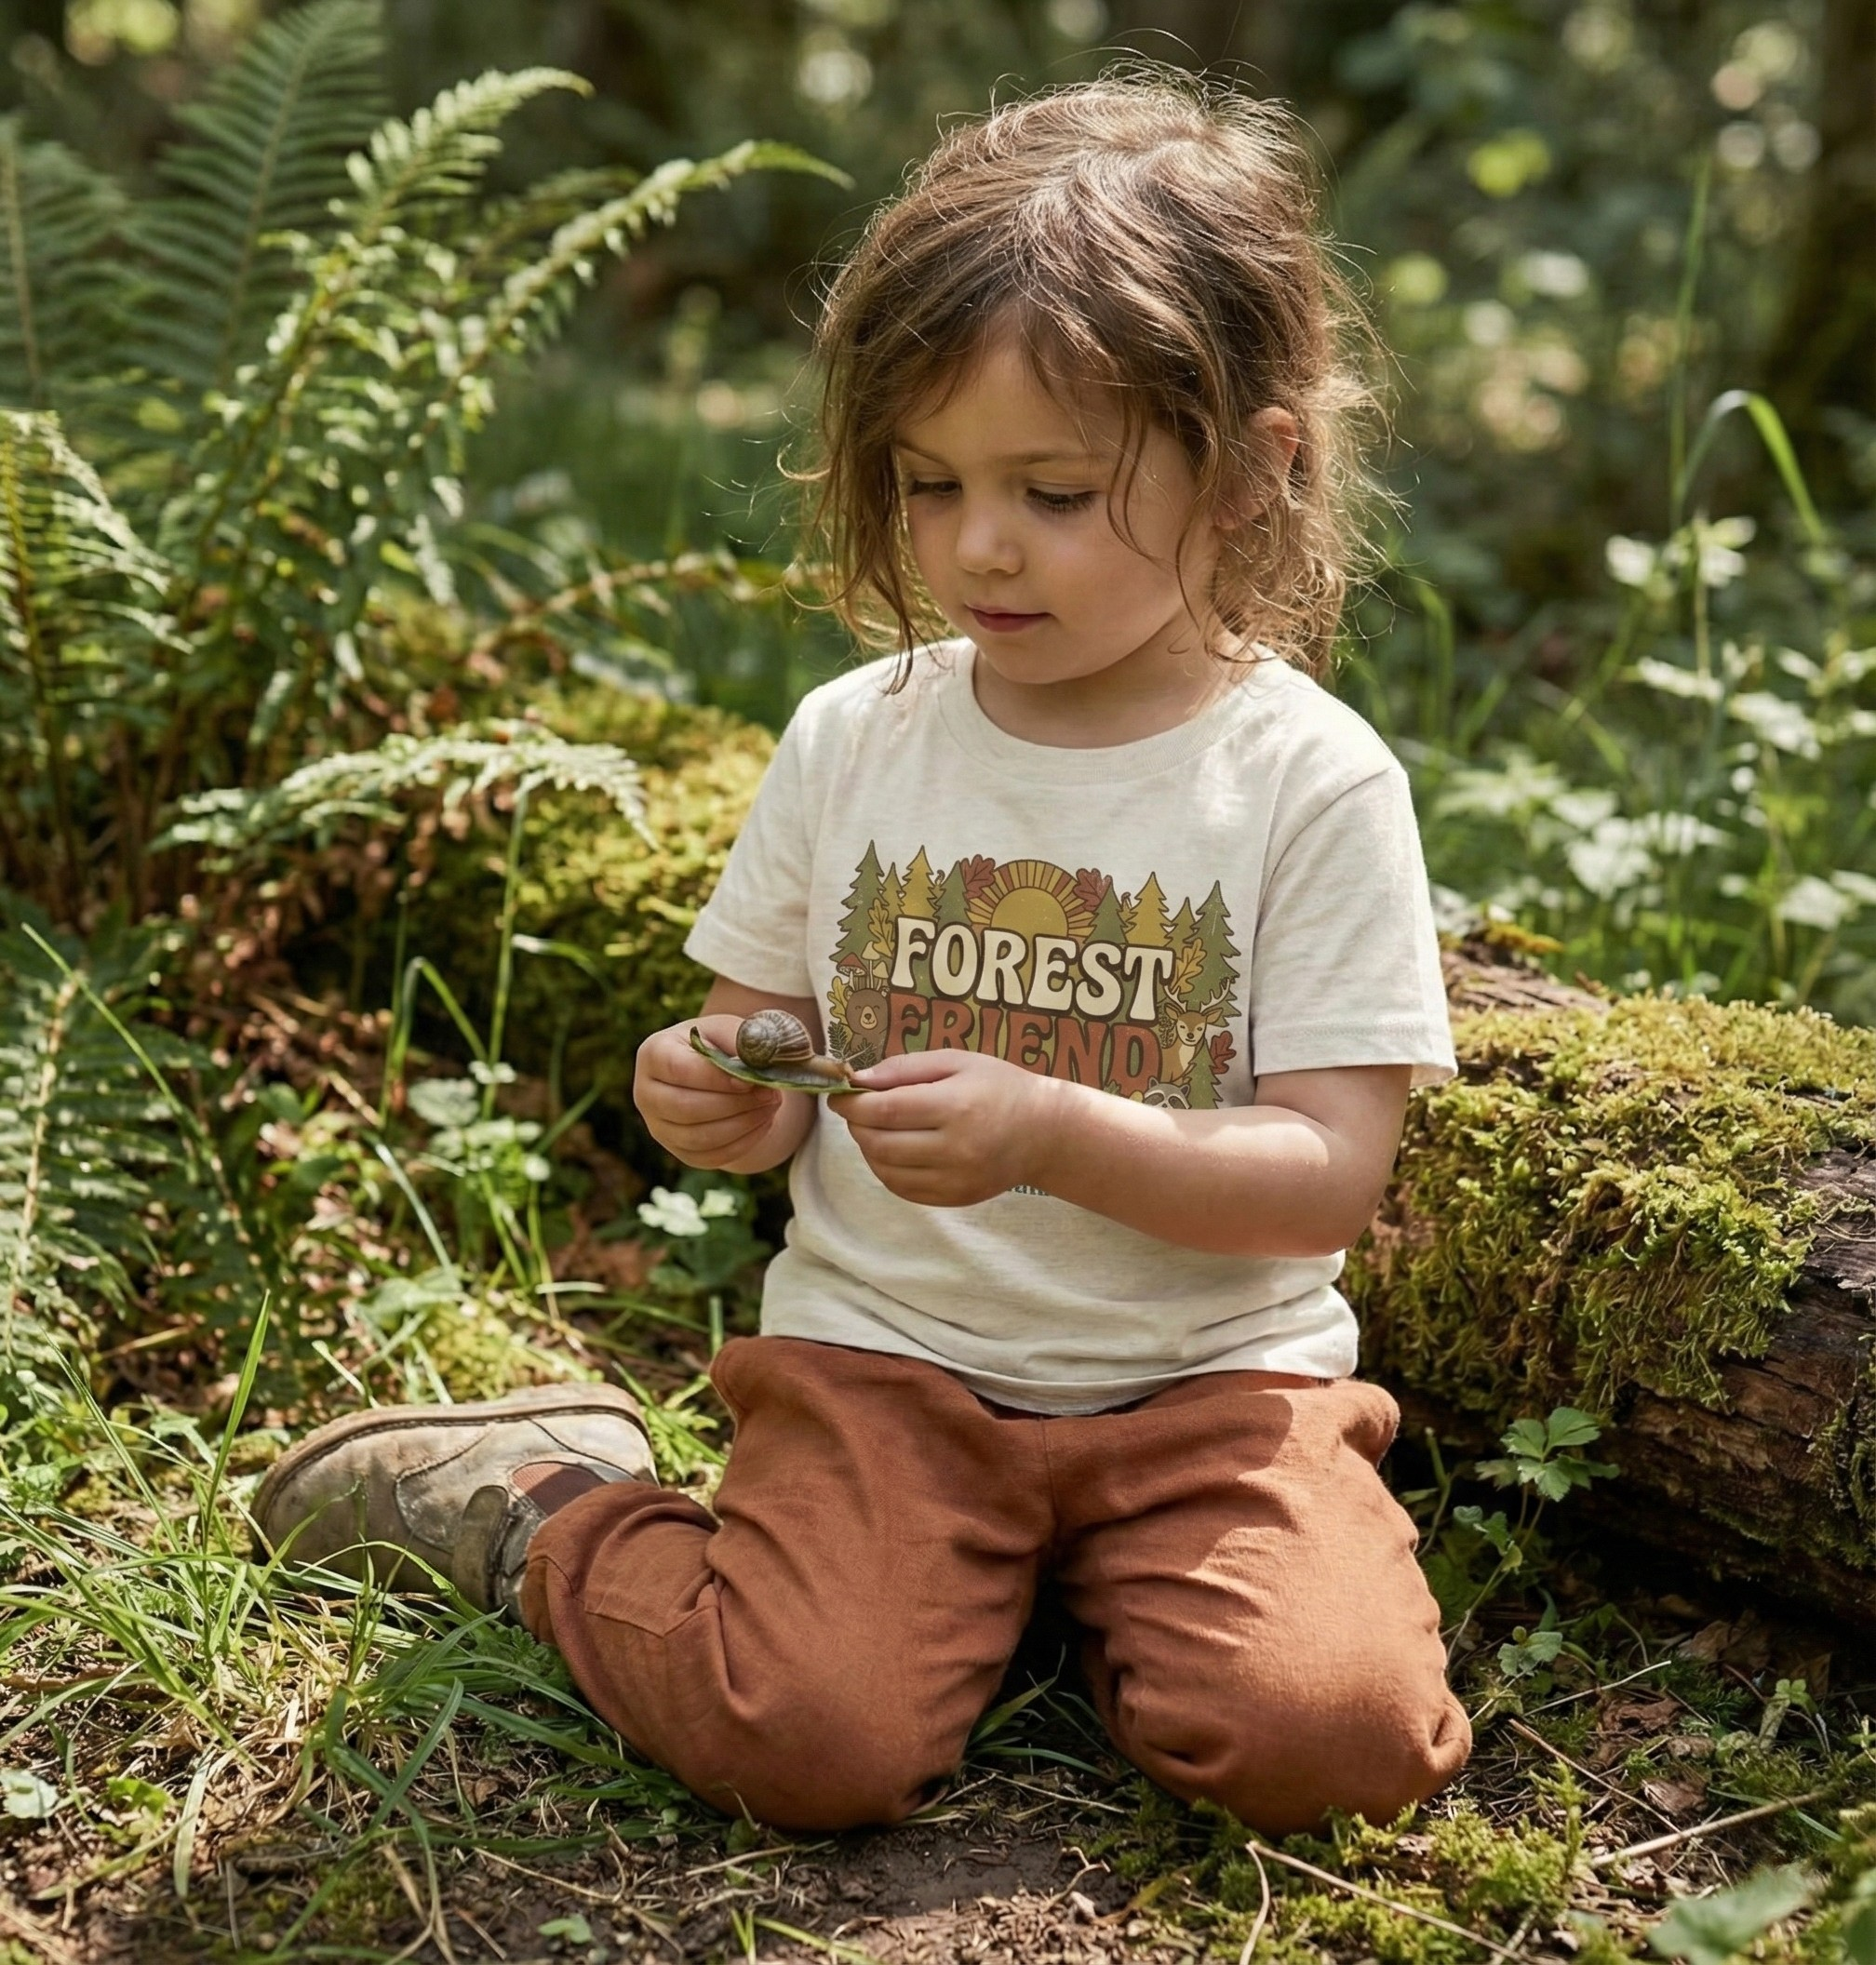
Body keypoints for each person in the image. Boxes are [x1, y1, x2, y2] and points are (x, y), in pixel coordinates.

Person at [257, 69, 1472, 1836]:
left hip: (1212, 1395)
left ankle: (1075, 1598)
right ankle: (542, 1506)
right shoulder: (859, 737)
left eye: (1057, 491)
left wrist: (1055, 1135)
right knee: (807, 1737)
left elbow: (1324, 1177)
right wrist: (715, 1086)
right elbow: (753, 1028)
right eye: (929, 483)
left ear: (1254, 468)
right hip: (887, 1363)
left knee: (1335, 1745)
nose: (981, 543)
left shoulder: (1303, 781)